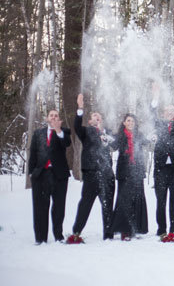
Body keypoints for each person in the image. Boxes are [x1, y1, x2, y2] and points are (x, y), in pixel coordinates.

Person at [67, 94, 115, 243]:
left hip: (106, 174)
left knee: (107, 205)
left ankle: (108, 235)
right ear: (89, 121)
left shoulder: (108, 133)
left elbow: (116, 144)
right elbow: (76, 126)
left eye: (99, 116)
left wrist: (106, 135)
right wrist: (80, 108)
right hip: (91, 174)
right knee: (85, 204)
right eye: (94, 116)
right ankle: (76, 232)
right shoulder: (86, 132)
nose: (97, 117)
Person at [151, 82, 174, 241]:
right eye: (167, 110)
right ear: (164, 112)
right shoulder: (158, 123)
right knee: (160, 200)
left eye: (173, 111)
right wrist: (155, 97)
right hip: (160, 167)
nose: (170, 113)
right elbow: (151, 113)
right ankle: (161, 229)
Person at [28, 109, 72, 244]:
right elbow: (33, 153)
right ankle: (40, 238)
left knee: (59, 207)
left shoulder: (64, 132)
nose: (53, 117)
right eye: (51, 116)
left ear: (59, 119)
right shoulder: (38, 133)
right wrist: (31, 172)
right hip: (41, 174)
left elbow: (67, 144)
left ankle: (58, 236)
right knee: (40, 207)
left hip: (59, 175)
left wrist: (58, 130)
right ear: (47, 118)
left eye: (56, 115)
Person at [110, 113, 149, 240]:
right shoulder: (119, 136)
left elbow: (147, 142)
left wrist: (152, 137)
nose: (131, 123)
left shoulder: (139, 135)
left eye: (132, 121)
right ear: (124, 123)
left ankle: (135, 228)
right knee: (124, 200)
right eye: (128, 120)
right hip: (124, 172)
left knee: (137, 199)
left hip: (137, 171)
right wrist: (107, 140)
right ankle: (124, 230)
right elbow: (114, 146)